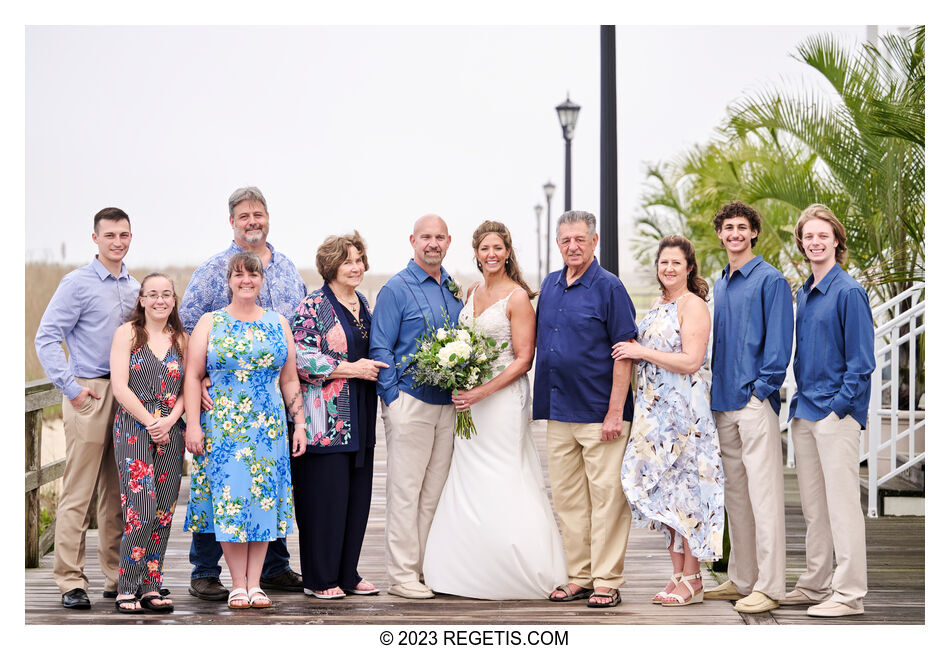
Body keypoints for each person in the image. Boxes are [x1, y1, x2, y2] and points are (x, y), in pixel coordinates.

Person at [422, 221, 568, 599]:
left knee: (505, 474)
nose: (491, 254)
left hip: (501, 400)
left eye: (498, 248)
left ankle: (521, 567)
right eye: (484, 248)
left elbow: (523, 359)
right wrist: (458, 379)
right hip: (469, 399)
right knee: (469, 476)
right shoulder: (471, 290)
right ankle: (469, 566)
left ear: (507, 252)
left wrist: (482, 391)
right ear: (476, 252)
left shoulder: (517, 297)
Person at [179, 186, 307, 600]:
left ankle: (272, 571)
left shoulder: (287, 268)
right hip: (224, 405)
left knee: (263, 491)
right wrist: (196, 384)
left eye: (259, 214)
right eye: (244, 216)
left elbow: (295, 344)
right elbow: (186, 327)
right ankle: (206, 571)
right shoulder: (213, 269)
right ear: (232, 221)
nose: (253, 221)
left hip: (267, 410)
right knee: (221, 493)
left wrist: (299, 417)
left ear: (268, 217)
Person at [35, 207, 139, 609]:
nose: (118, 241)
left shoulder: (134, 287)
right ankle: (70, 580)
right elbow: (46, 338)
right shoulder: (76, 283)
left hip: (127, 393)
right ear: (95, 238)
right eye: (110, 234)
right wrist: (72, 388)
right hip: (90, 392)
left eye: (124, 234)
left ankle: (116, 577)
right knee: (78, 491)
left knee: (118, 494)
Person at [534, 210, 638, 609]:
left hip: (601, 414)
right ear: (558, 244)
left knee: (608, 498)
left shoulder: (610, 288)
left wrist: (616, 412)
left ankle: (607, 580)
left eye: (580, 239)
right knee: (569, 500)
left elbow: (624, 353)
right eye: (565, 240)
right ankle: (579, 575)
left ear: (594, 242)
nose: (572, 246)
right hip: (558, 410)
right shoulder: (551, 285)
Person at [614, 235, 725, 607]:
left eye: (677, 262)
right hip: (655, 418)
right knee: (664, 492)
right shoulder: (659, 304)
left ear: (689, 267)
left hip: (685, 417)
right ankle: (676, 574)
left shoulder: (692, 305)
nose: (669, 268)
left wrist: (641, 351)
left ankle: (694, 578)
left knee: (689, 495)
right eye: (664, 262)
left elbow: (692, 360)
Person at [781, 204, 874, 617]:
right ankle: (816, 583)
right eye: (808, 236)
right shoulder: (805, 292)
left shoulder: (849, 291)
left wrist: (838, 408)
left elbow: (862, 361)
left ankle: (850, 593)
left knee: (842, 506)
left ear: (837, 239)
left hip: (836, 414)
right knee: (814, 508)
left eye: (823, 235)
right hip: (804, 409)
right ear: (801, 243)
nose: (815, 242)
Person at [703, 201, 793, 614]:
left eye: (742, 227)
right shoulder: (720, 283)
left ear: (753, 233)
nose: (735, 233)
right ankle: (742, 578)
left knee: (765, 497)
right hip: (722, 403)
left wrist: (761, 391)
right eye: (728, 228)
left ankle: (770, 586)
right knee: (736, 497)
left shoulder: (770, 280)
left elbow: (778, 344)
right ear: (720, 235)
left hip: (754, 404)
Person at [369, 214, 464, 599]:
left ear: (448, 241)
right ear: (413, 240)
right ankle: (402, 575)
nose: (433, 243)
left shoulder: (452, 288)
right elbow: (380, 346)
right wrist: (393, 400)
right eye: (426, 237)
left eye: (439, 237)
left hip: (448, 406)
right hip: (410, 402)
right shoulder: (396, 288)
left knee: (434, 494)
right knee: (406, 493)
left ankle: (426, 569)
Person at [290, 232, 387, 599]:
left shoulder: (362, 302)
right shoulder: (312, 305)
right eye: (347, 260)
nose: (356, 266)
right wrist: (352, 369)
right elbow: (300, 357)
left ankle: (348, 573)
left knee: (356, 498)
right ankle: (319, 578)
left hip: (360, 417)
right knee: (324, 500)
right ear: (331, 265)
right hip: (324, 422)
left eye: (359, 259)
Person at [108, 273, 188, 613]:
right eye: (152, 294)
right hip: (134, 429)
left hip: (172, 432)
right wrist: (151, 421)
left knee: (162, 512)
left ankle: (151, 586)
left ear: (174, 300)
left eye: (166, 294)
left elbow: (191, 388)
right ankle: (126, 586)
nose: (160, 300)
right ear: (141, 299)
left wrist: (169, 421)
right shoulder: (127, 334)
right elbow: (120, 387)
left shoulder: (182, 339)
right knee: (139, 509)